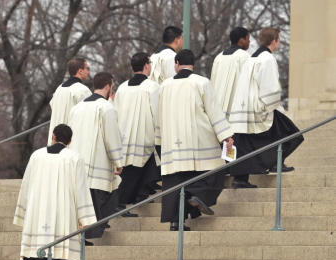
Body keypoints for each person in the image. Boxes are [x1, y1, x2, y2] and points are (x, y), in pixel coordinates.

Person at [12, 124, 96, 260]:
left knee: (36, 250)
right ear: (70, 141)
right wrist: (85, 219)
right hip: (62, 216)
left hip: (37, 214)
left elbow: (26, 185)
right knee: (62, 251)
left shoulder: (36, 156)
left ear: (53, 136)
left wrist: (23, 215)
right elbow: (80, 189)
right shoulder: (74, 158)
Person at [156, 49, 234, 231]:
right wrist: (226, 135)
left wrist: (158, 140)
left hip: (173, 142)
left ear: (176, 64)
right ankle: (195, 197)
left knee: (175, 181)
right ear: (193, 64)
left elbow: (159, 115)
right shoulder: (201, 82)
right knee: (214, 169)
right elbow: (213, 111)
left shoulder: (164, 86)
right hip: (199, 139)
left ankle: (176, 222)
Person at [228, 28, 304, 188]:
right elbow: (269, 88)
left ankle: (240, 179)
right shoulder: (267, 59)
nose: (280, 42)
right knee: (291, 134)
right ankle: (276, 163)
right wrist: (274, 106)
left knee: (246, 144)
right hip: (259, 106)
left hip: (242, 108)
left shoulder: (251, 58)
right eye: (279, 39)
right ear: (274, 41)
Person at [69, 72, 123, 240]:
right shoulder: (106, 107)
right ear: (108, 86)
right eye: (112, 86)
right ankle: (91, 234)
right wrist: (118, 161)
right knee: (103, 197)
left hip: (78, 161)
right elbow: (111, 136)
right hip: (98, 162)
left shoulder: (76, 108)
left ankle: (85, 234)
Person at [113, 52, 160, 216]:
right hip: (143, 133)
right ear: (147, 65)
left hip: (123, 134)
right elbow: (157, 111)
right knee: (141, 166)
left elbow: (116, 111)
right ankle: (123, 201)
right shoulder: (152, 87)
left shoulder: (122, 87)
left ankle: (140, 195)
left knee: (132, 167)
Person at [47, 57, 92, 145]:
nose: (88, 72)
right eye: (87, 69)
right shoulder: (82, 90)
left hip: (55, 138)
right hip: (72, 139)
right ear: (80, 71)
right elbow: (88, 114)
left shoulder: (59, 89)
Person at [211, 27, 251, 116]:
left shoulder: (218, 57)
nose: (249, 42)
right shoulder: (244, 56)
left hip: (217, 108)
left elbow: (213, 82)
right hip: (237, 110)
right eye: (248, 39)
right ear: (241, 40)